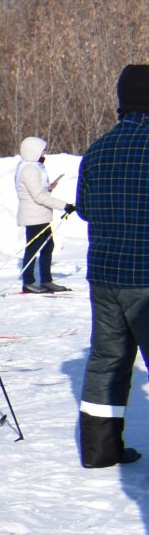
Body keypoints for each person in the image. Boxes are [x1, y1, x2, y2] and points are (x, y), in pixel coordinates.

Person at [74, 64, 149, 467]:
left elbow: (84, 209)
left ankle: (100, 450)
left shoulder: (98, 149)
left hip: (105, 276)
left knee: (107, 359)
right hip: (145, 276)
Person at [17, 135, 73, 293]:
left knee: (48, 246)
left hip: (41, 215)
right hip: (33, 216)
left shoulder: (34, 167)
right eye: (42, 151)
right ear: (33, 151)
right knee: (33, 248)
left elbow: (39, 190)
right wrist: (65, 206)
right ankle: (28, 281)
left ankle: (46, 280)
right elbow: (38, 197)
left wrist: (48, 187)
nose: (44, 154)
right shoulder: (29, 169)